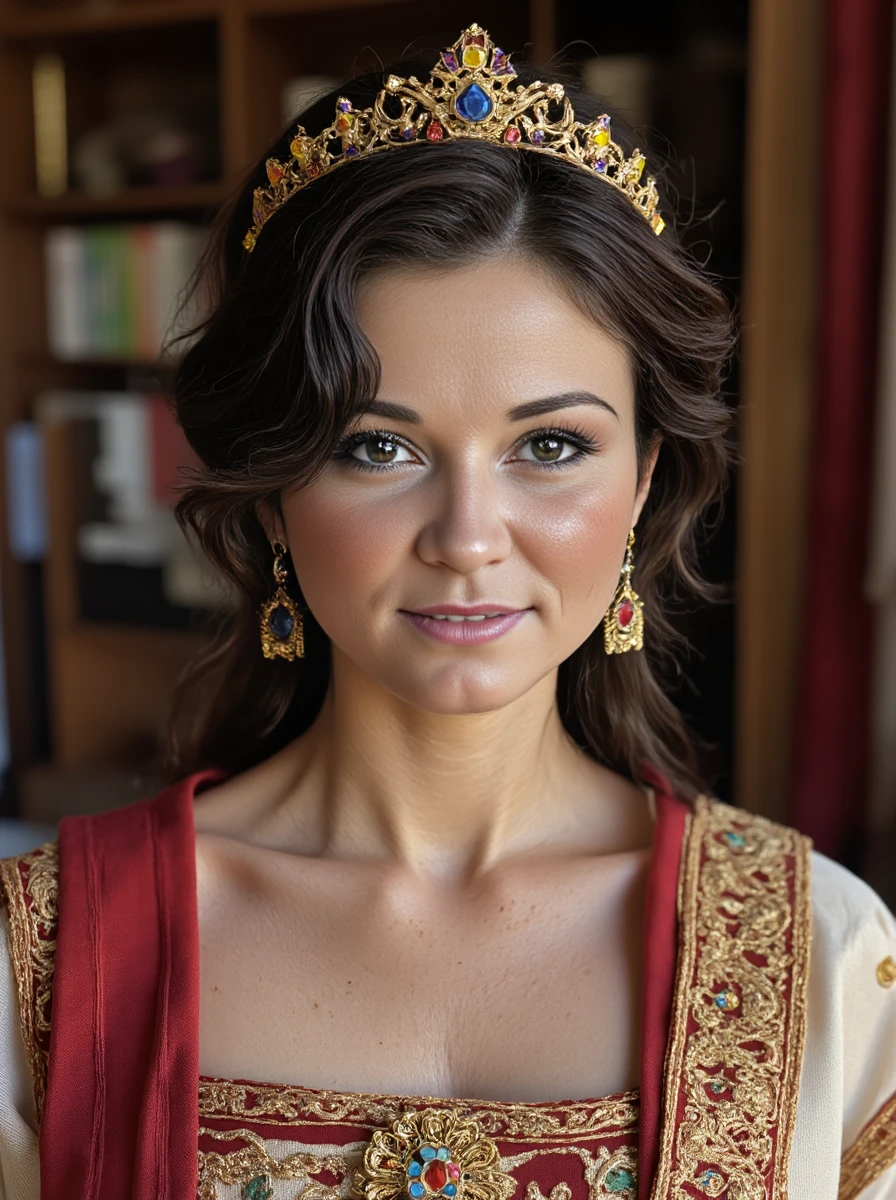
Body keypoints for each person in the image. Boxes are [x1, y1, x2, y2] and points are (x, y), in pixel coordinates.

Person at [1, 23, 895, 1200]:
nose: (468, 535)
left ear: (640, 484)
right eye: (378, 446)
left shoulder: (822, 956)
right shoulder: (40, 961)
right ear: (272, 494)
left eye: (549, 445)